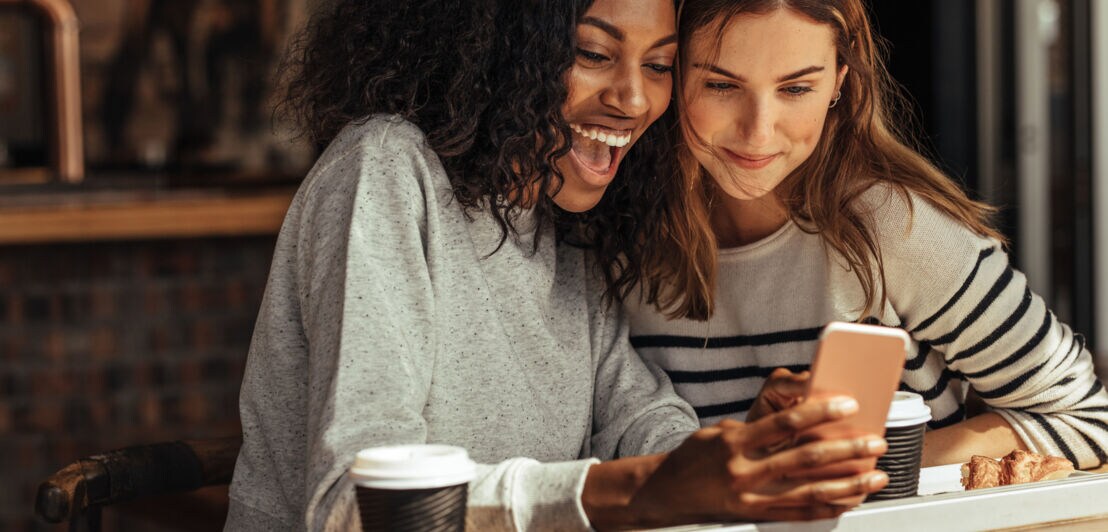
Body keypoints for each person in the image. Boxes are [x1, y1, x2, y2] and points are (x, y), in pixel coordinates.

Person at [225, 1, 891, 531]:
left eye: (659, 65)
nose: (633, 100)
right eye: (593, 53)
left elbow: (639, 420)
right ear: (495, 48)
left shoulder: (565, 225)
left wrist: (748, 453)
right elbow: (359, 506)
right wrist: (636, 491)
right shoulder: (387, 170)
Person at [626, 0, 1108, 471]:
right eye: (719, 84)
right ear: (669, 73)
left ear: (838, 81)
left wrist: (877, 465)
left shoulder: (893, 229)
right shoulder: (617, 246)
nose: (759, 131)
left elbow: (1088, 420)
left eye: (795, 89)